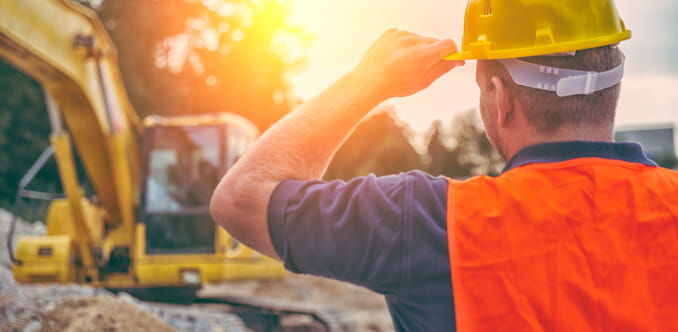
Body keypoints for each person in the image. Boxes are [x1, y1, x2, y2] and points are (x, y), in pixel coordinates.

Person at [210, 0, 678, 330]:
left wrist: (367, 83)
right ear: (611, 84)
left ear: (500, 100)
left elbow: (241, 198)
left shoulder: (429, 221)